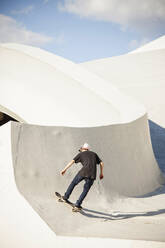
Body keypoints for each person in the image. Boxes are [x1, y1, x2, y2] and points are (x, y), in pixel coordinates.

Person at [60, 143, 104, 211]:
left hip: (83, 172)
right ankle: (77, 205)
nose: (80, 151)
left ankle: (65, 197)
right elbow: (101, 163)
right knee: (85, 190)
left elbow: (72, 162)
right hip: (92, 175)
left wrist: (64, 169)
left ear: (84, 149)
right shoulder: (94, 154)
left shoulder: (81, 154)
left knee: (73, 183)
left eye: (81, 150)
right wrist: (101, 173)